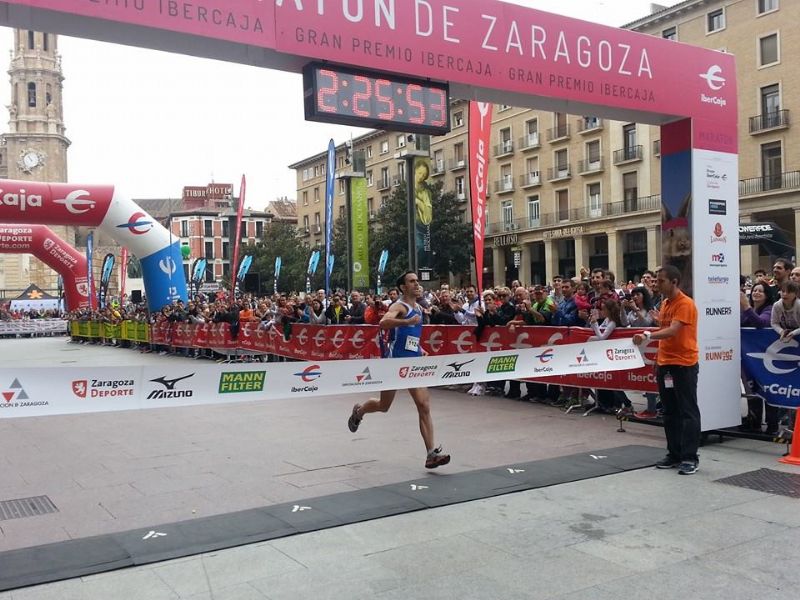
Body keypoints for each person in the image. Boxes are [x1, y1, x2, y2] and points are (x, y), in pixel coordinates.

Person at [347, 271, 451, 469]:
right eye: (411, 281)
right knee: (384, 406)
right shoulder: (399, 306)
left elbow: (411, 336)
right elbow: (384, 322)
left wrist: (420, 348)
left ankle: (431, 454)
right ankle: (359, 412)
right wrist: (405, 321)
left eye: (417, 281)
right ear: (403, 287)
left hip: (413, 363)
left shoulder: (420, 308)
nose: (416, 284)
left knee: (424, 405)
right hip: (394, 363)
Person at [633, 265, 699, 475]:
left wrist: (647, 336)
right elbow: (665, 331)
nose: (656, 284)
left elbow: (672, 330)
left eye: (661, 281)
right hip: (666, 363)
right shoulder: (665, 304)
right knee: (669, 412)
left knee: (688, 411)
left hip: (684, 364)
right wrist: (658, 359)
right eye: (656, 280)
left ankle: (690, 457)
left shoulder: (685, 304)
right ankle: (674, 454)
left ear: (674, 282)